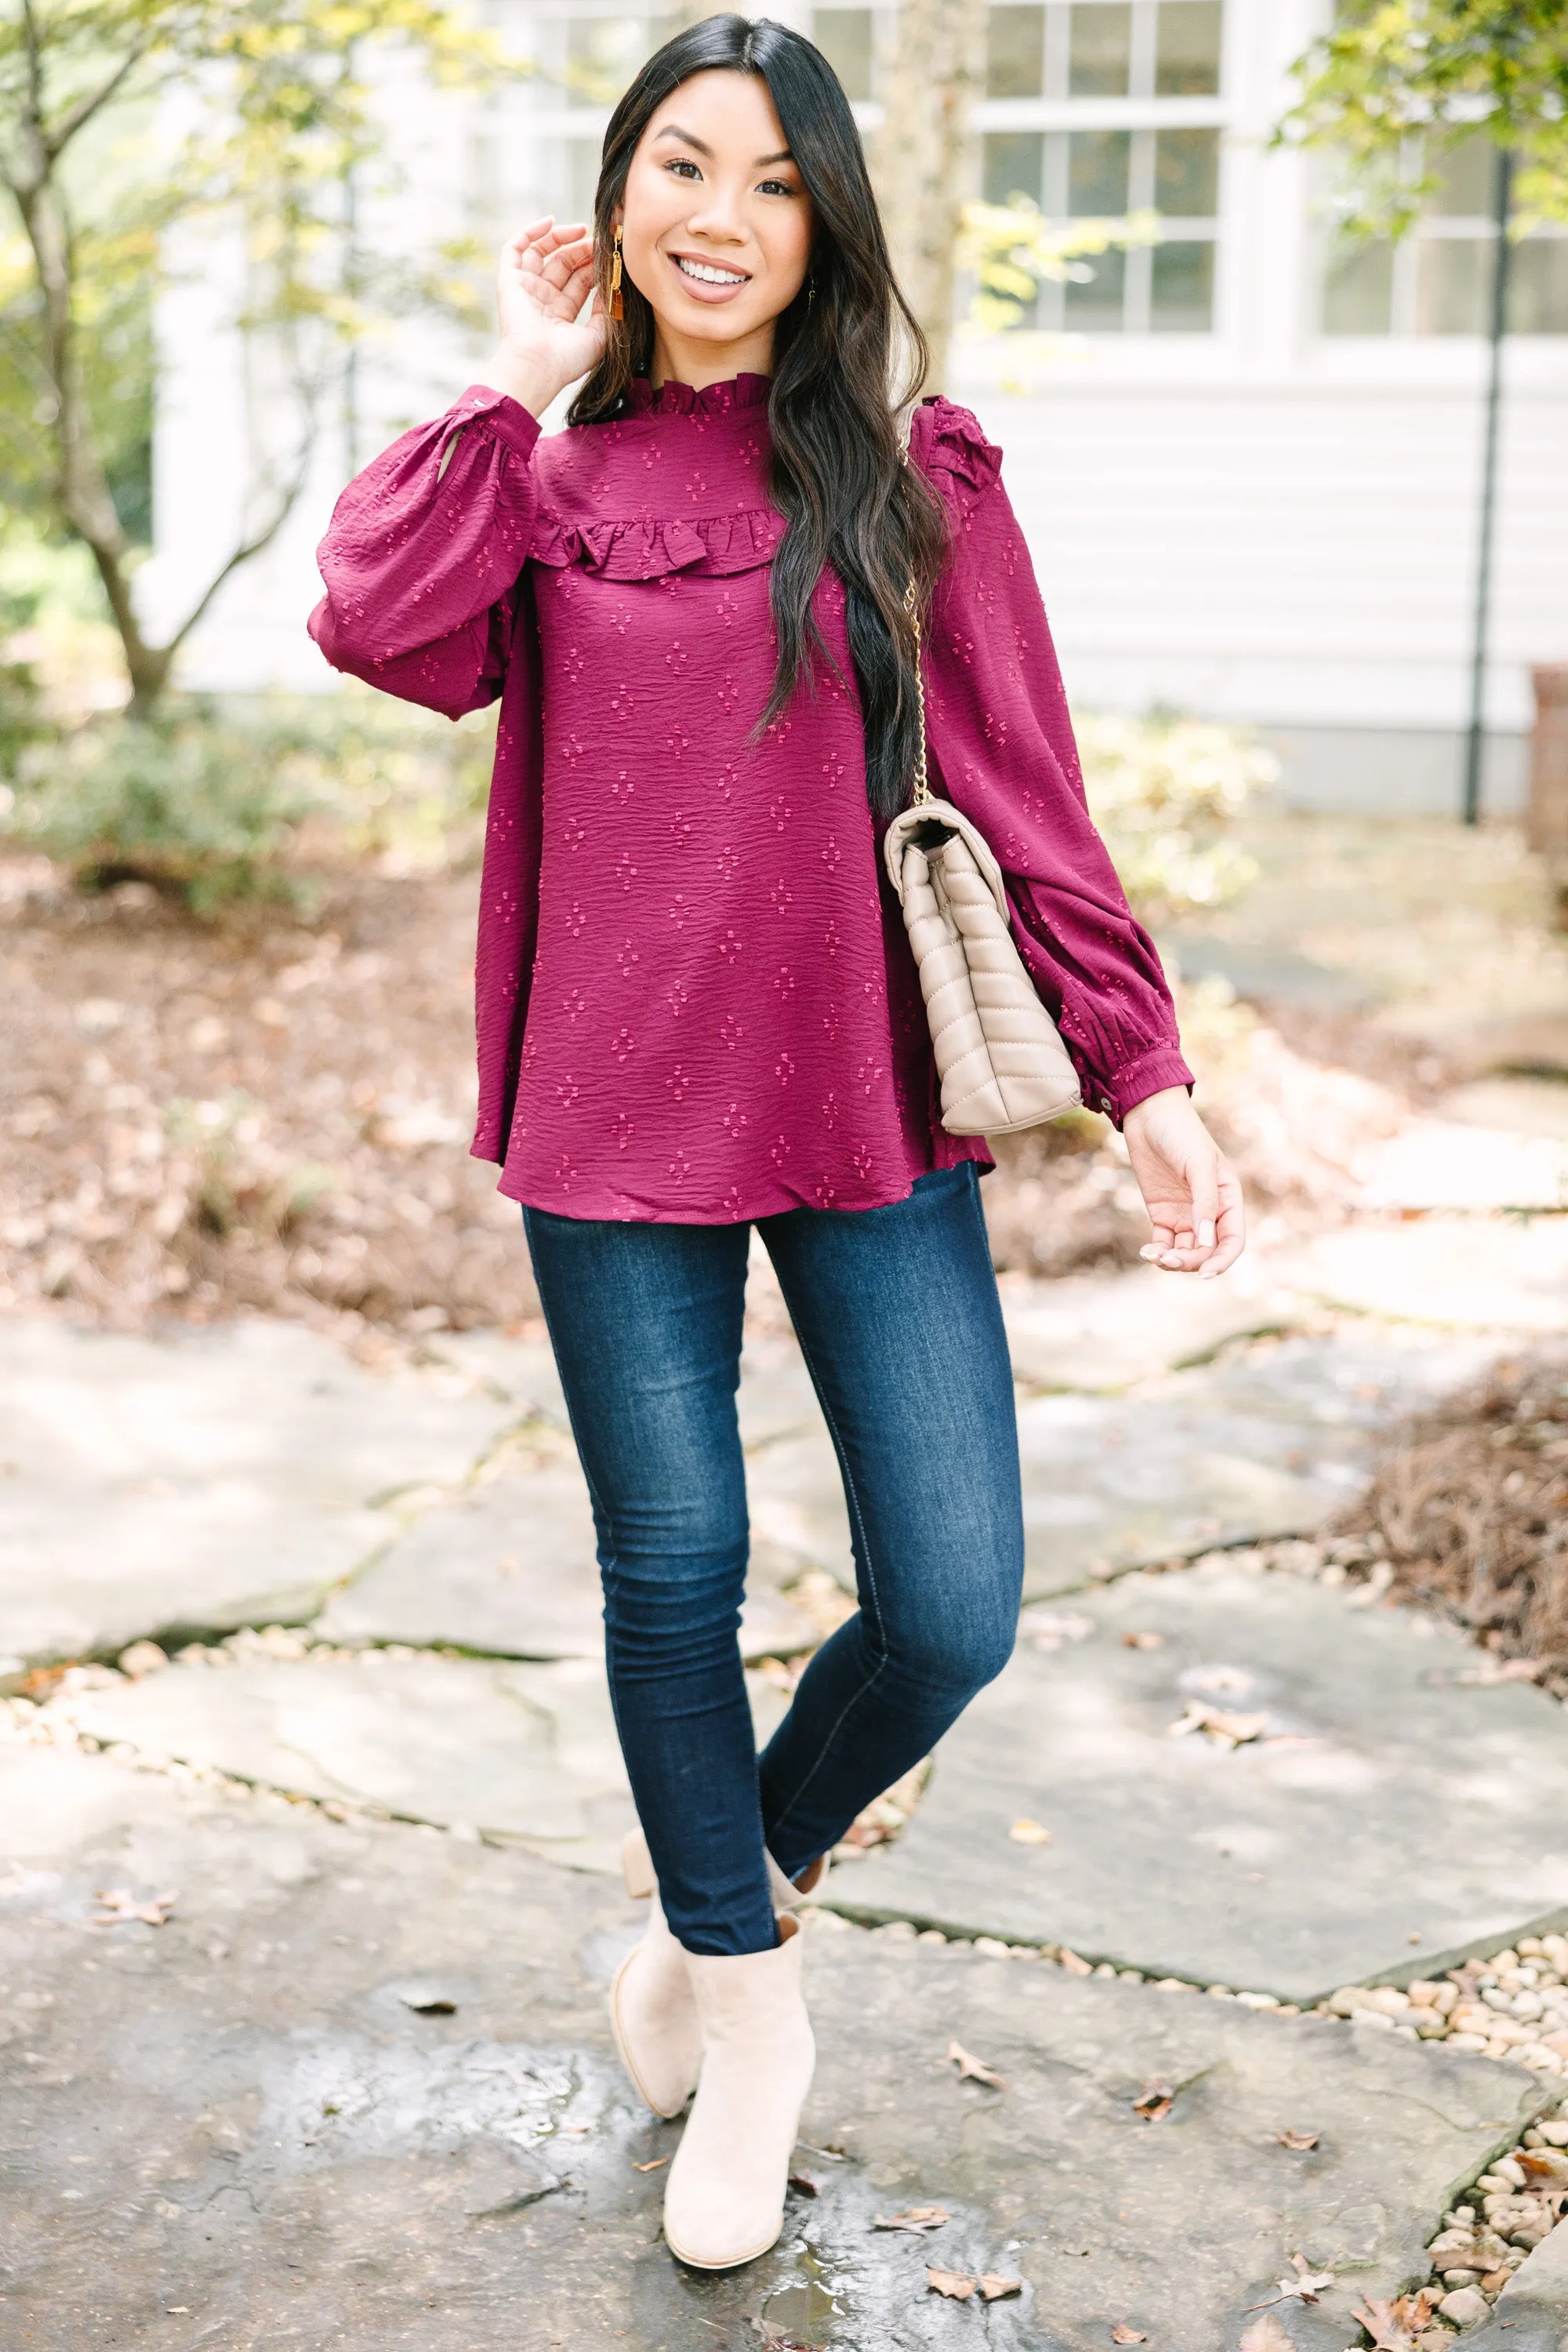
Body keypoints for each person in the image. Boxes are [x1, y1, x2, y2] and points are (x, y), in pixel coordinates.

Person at [309, 11, 1243, 2274]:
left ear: (824, 219)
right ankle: (746, 2011)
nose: (718, 217)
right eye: (679, 168)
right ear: (618, 196)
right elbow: (369, 621)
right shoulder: (546, 472)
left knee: (951, 1600)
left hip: (862, 1101)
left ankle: (729, 1893)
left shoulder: (912, 470)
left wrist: (1147, 1072)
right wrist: (515, 370)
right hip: (606, 1107)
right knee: (674, 1572)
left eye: (770, 181)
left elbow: (1026, 784)